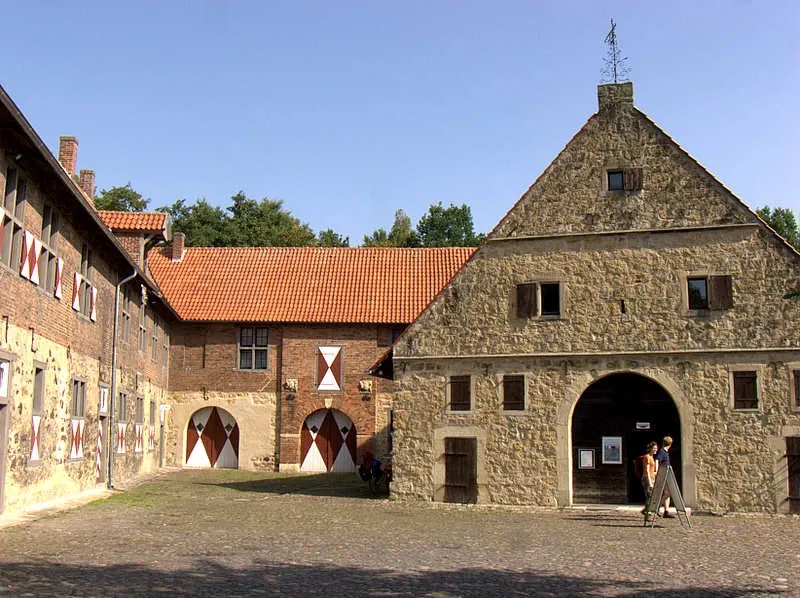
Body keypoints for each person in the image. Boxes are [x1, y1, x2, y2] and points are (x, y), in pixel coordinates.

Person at [655, 436, 675, 518]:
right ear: (670, 444)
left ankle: (666, 511)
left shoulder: (665, 452)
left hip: (667, 474)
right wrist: (657, 471)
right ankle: (657, 507)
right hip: (664, 474)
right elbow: (657, 460)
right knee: (666, 493)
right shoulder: (662, 452)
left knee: (668, 493)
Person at [639, 441, 658, 515]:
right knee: (649, 494)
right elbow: (646, 470)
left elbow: (651, 470)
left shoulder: (652, 457)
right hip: (647, 478)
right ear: (650, 449)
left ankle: (646, 509)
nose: (656, 450)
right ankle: (647, 511)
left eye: (656, 448)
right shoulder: (647, 457)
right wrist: (650, 482)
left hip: (651, 477)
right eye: (654, 448)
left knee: (650, 495)